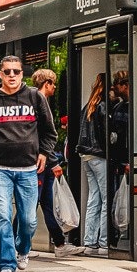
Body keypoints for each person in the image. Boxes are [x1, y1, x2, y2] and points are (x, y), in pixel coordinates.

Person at [0, 55, 52, 272]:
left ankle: (23, 249)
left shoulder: (35, 97)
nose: (12, 76)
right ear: (1, 74)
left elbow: (49, 131)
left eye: (16, 71)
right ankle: (7, 264)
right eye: (7, 72)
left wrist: (44, 153)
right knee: (2, 216)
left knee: (28, 220)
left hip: (28, 168)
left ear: (22, 74)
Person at [33, 69, 84, 257]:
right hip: (40, 163)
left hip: (44, 164)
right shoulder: (38, 102)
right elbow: (41, 136)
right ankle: (17, 245)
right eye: (53, 84)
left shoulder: (41, 102)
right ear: (46, 84)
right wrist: (54, 162)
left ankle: (61, 245)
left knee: (47, 203)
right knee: (31, 204)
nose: (54, 87)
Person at [75, 74, 107, 254]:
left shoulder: (88, 106)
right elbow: (104, 136)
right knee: (105, 198)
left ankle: (89, 239)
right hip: (99, 156)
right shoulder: (102, 107)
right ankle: (104, 241)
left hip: (86, 156)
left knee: (94, 198)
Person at [108, 72, 131, 242]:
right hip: (119, 161)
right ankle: (119, 232)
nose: (116, 88)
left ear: (125, 85)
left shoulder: (132, 107)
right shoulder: (118, 107)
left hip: (127, 159)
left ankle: (124, 232)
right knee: (119, 197)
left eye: (118, 84)